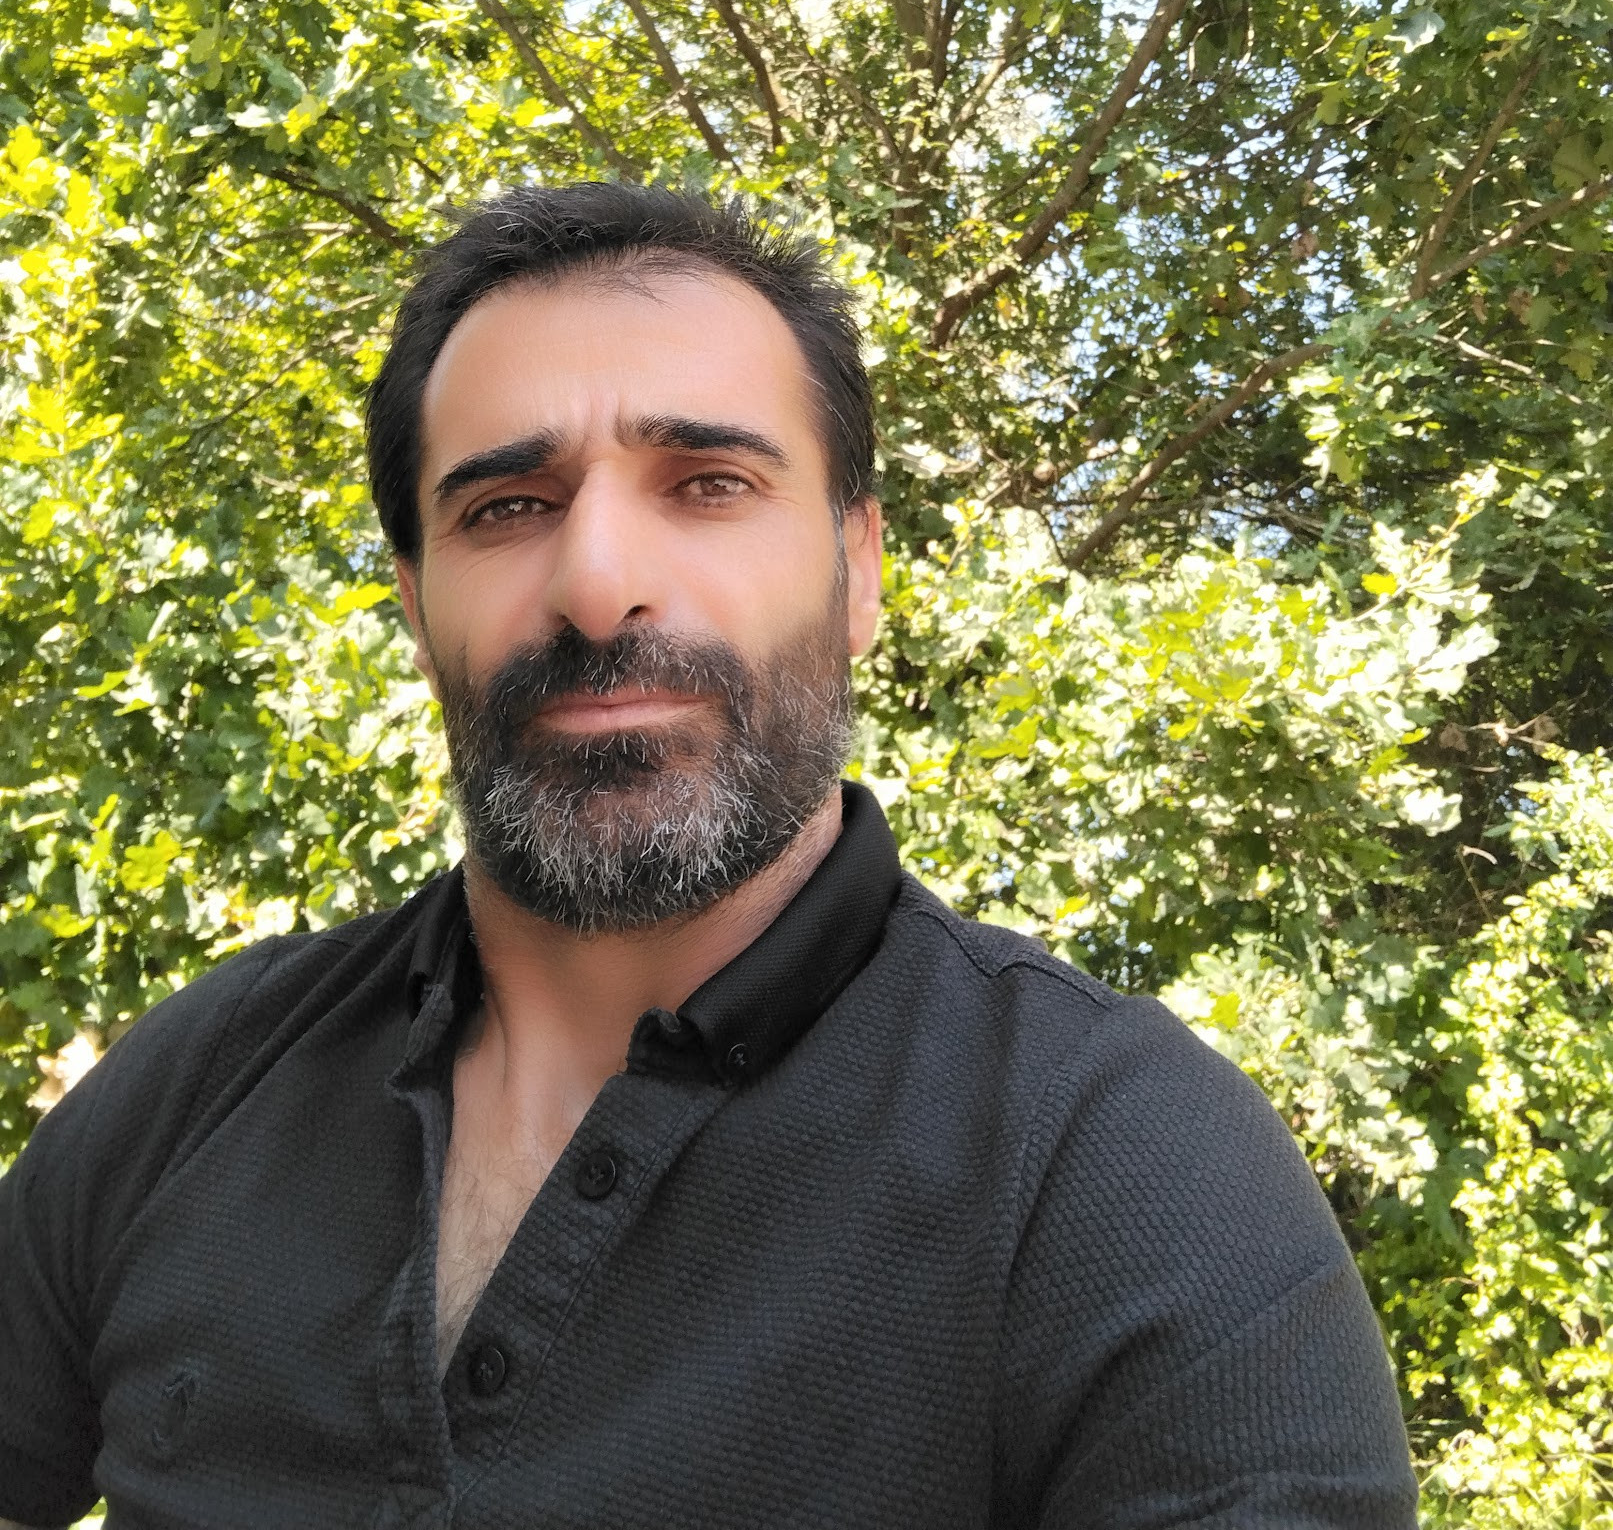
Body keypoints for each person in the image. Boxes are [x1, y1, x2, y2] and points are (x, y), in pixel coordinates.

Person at [0, 184, 1419, 1529]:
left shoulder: (1128, 1168)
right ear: (417, 608)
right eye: (506, 507)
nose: (597, 582)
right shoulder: (199, 1080)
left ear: (859, 573)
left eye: (709, 483)